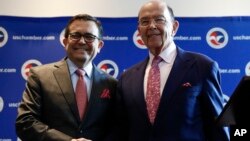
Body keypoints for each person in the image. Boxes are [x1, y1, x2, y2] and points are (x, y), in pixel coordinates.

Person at [114, 0, 229, 141]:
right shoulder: (127, 78)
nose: (151, 26)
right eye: (145, 21)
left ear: (174, 27)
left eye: (159, 20)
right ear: (139, 31)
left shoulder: (202, 67)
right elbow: (121, 131)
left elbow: (217, 127)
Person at [15, 14, 117, 141]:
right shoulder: (40, 76)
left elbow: (116, 128)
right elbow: (25, 122)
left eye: (89, 37)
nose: (81, 41)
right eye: (75, 35)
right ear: (65, 42)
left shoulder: (112, 84)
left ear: (100, 45)